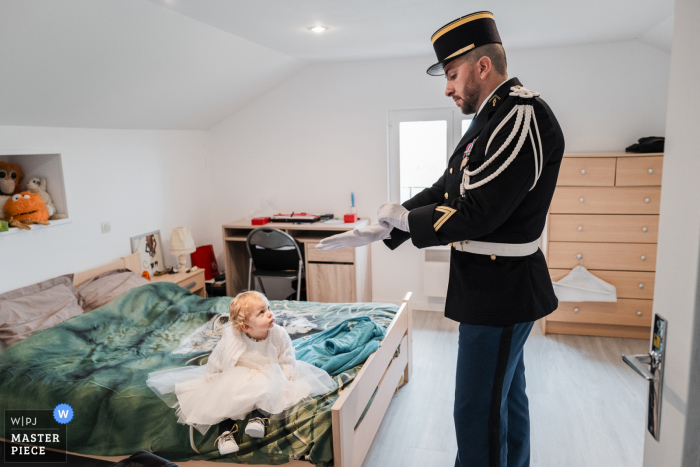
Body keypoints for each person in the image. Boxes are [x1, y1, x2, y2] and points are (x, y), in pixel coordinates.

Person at [317, 11, 565, 467]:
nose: (448, 88)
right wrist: (389, 223)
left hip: (502, 289)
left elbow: (479, 211)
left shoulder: (520, 115)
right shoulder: (493, 117)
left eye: (452, 74)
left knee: (476, 411)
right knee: (504, 401)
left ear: (482, 66)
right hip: (493, 286)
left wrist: (408, 223)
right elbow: (448, 188)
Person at [146, 291, 336, 455]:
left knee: (269, 388)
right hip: (240, 372)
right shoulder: (233, 336)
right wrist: (214, 381)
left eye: (268, 308)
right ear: (246, 327)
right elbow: (217, 359)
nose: (270, 313)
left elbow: (286, 360)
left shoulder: (278, 334)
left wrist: (287, 381)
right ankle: (225, 435)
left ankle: (258, 418)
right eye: (262, 312)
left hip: (270, 371)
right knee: (227, 398)